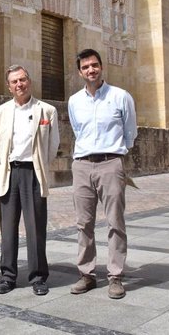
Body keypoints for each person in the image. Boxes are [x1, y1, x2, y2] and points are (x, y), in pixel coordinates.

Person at [68, 48, 137, 299]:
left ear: (101, 67)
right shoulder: (74, 101)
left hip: (111, 163)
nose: (91, 70)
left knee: (115, 221)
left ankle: (115, 276)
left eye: (94, 65)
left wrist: (114, 156)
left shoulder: (120, 96)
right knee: (83, 222)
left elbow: (130, 132)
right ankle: (87, 274)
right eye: (85, 67)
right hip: (82, 165)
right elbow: (77, 130)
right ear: (79, 71)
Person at [0, 65, 60, 296]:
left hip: (34, 173)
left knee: (36, 228)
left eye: (22, 80)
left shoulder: (47, 110)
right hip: (10, 173)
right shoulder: (0, 112)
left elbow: (53, 146)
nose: (19, 84)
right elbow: (1, 143)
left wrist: (40, 165)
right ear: (8, 86)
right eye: (14, 81)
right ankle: (7, 276)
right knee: (8, 228)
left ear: (29, 81)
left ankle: (38, 276)